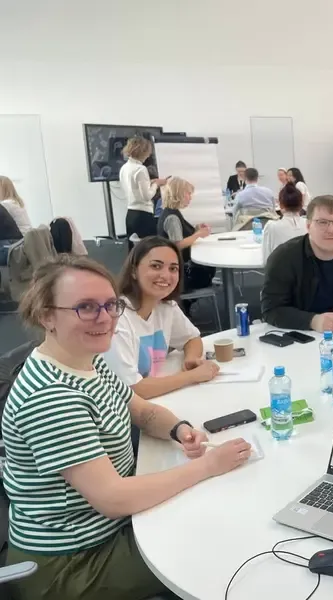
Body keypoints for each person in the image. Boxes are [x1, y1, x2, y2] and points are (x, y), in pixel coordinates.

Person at [2, 255, 252, 600]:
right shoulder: (51, 398)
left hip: (108, 528)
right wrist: (208, 465)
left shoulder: (85, 359)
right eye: (86, 307)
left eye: (110, 305)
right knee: (220, 545)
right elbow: (114, 498)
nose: (105, 318)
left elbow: (142, 412)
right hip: (72, 563)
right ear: (47, 316)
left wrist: (179, 429)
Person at [104, 236, 220, 399]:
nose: (166, 275)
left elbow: (191, 338)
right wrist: (192, 376)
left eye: (173, 268)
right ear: (134, 271)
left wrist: (191, 359)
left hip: (157, 399)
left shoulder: (165, 307)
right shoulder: (117, 319)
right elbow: (132, 389)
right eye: (156, 266)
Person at [260, 194, 333, 333]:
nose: (331, 230)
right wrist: (313, 321)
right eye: (322, 222)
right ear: (308, 226)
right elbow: (271, 309)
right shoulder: (283, 257)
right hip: (301, 335)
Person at [156, 176, 216, 291]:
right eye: (188, 194)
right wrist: (198, 235)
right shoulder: (172, 218)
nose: (190, 197)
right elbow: (177, 245)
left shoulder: (170, 212)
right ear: (179, 194)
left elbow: (181, 237)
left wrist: (197, 230)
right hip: (183, 274)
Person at [119, 137, 167, 242]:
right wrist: (156, 184)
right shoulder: (141, 169)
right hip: (143, 215)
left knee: (135, 248)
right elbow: (147, 196)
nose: (149, 155)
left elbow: (133, 186)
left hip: (130, 214)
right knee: (149, 247)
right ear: (143, 152)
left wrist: (150, 182)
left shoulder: (124, 168)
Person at [262, 182, 307, 263]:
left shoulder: (271, 227)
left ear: (281, 205)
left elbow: (266, 259)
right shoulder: (310, 225)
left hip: (279, 269)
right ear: (301, 204)